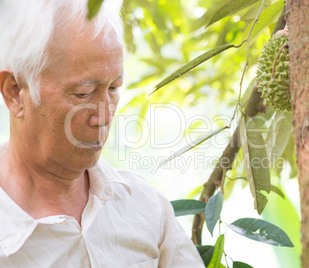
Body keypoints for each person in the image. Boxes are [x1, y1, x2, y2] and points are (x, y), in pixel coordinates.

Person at [0, 0, 205, 267]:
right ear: (15, 92)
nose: (105, 117)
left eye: (113, 88)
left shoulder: (146, 207)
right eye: (83, 94)